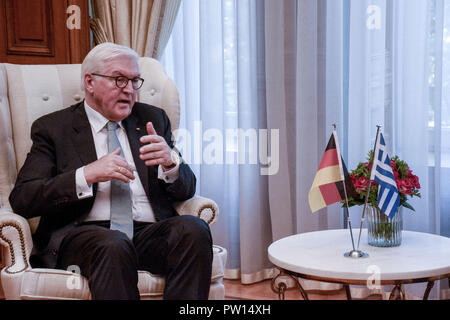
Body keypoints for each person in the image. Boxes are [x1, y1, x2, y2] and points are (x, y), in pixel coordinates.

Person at [8, 43, 213, 300]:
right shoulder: (53, 128)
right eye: (119, 80)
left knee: (193, 230)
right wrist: (86, 175)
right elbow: (23, 198)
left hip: (146, 233)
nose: (129, 90)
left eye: (134, 80)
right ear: (90, 82)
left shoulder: (152, 119)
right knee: (113, 244)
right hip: (85, 236)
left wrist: (171, 165)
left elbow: (187, 188)